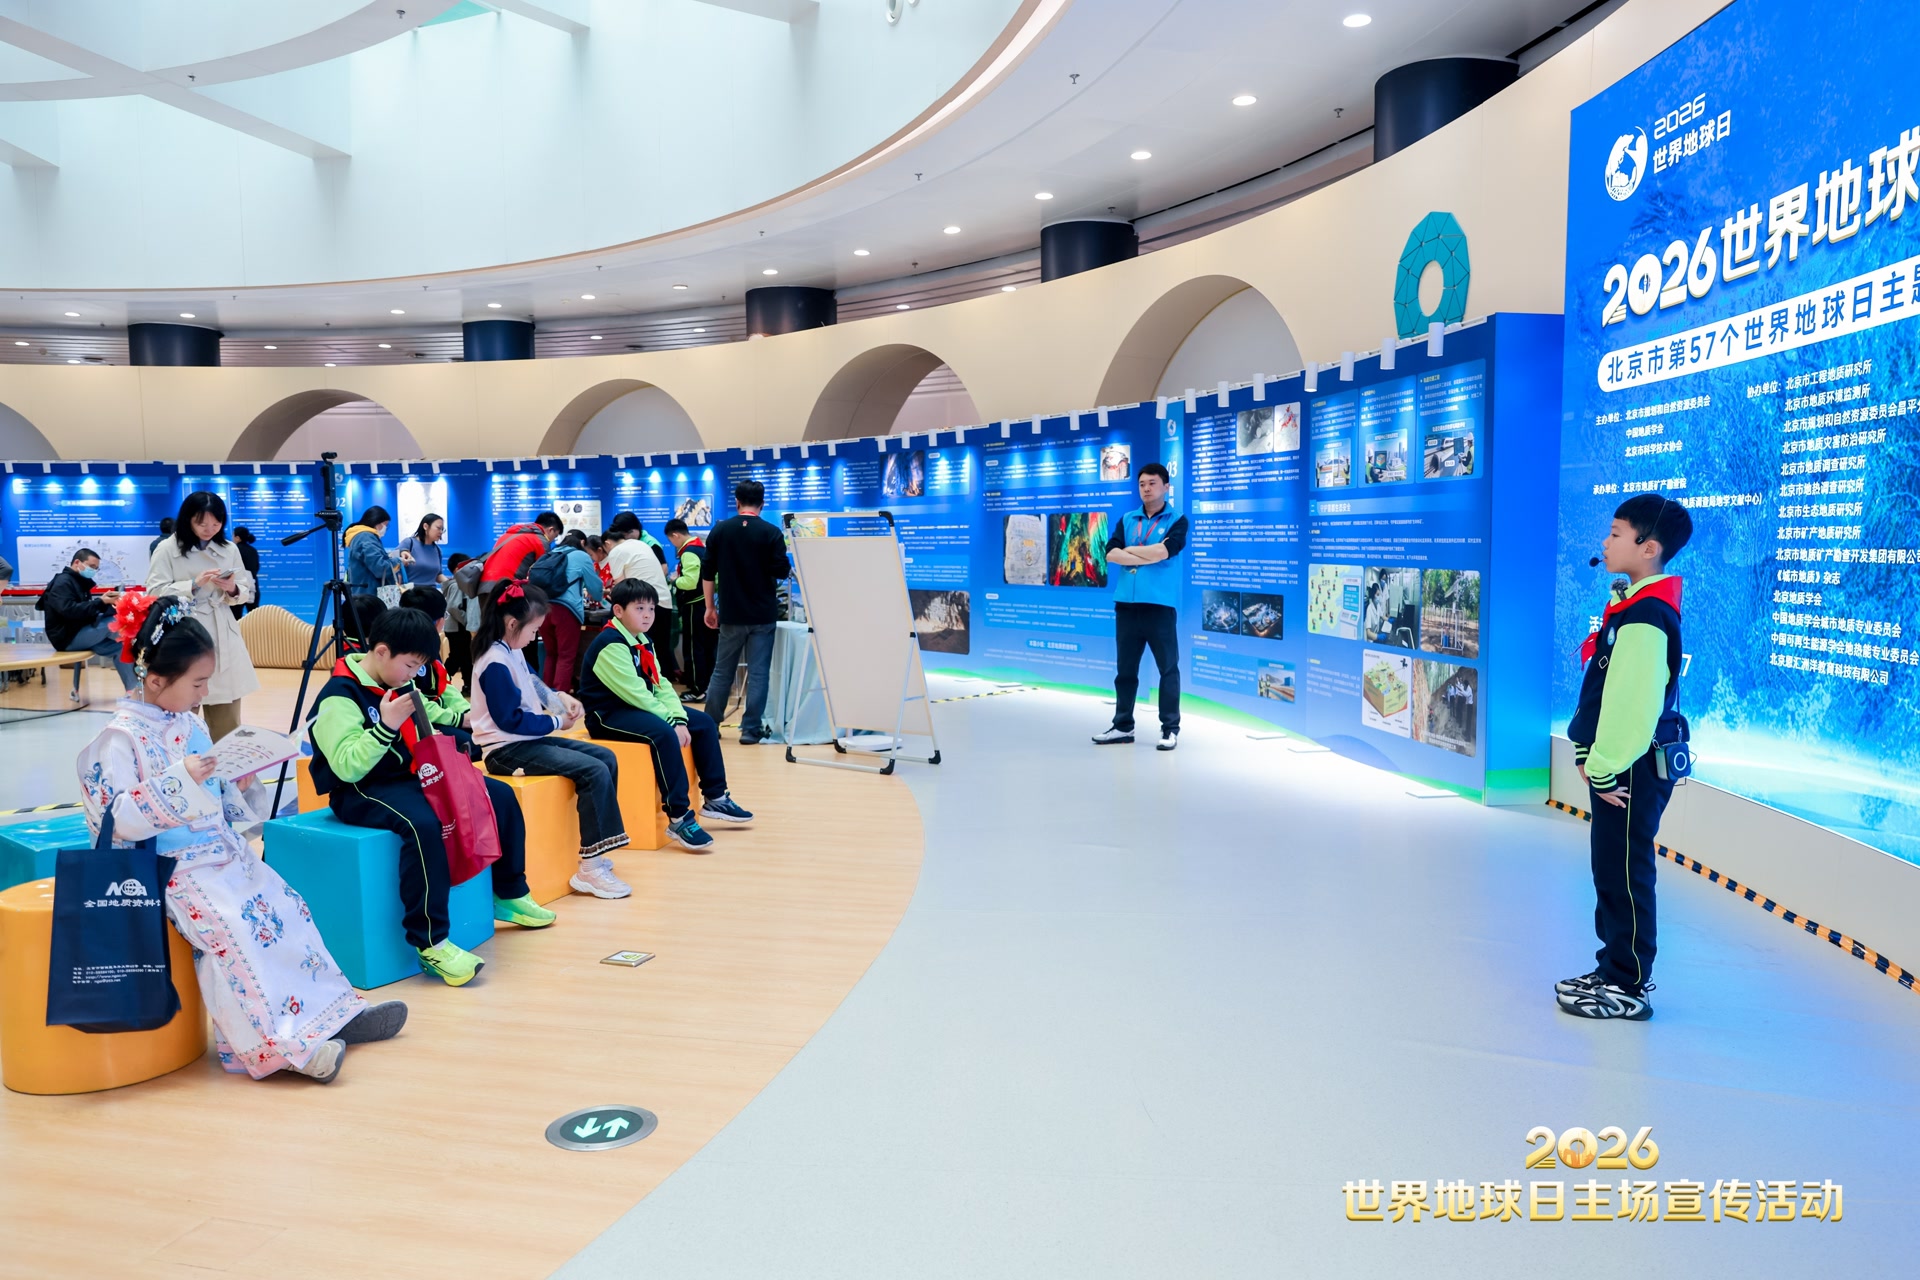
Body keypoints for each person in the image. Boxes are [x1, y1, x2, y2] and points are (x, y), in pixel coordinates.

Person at [78, 594, 406, 1084]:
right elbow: (114, 819)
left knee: (286, 907)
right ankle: (280, 1047)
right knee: (233, 929)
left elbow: (213, 794)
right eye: (197, 683)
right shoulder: (117, 739)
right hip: (167, 870)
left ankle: (332, 1013)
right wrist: (181, 781)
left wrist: (237, 780)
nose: (204, 693)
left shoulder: (189, 723)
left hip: (221, 854)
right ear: (155, 680)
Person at [309, 606, 556, 987]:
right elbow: (347, 767)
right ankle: (431, 942)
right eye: (410, 665)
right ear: (381, 652)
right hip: (361, 790)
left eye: (420, 667)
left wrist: (460, 726)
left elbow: (430, 716)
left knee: (499, 795)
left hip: (407, 776)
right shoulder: (339, 695)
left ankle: (508, 892)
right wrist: (386, 726)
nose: (414, 675)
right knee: (423, 825)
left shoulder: (398, 682)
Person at [1558, 494, 1693, 1023]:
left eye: (1615, 534)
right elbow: (1603, 690)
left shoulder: (1647, 616)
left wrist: (1603, 764)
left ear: (1648, 547)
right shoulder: (1631, 606)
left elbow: (1633, 708)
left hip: (1628, 769)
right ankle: (1613, 967)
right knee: (1611, 868)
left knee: (1626, 871)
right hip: (1617, 766)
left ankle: (1628, 984)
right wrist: (1588, 748)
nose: (1605, 542)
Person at [469, 583, 634, 898]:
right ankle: (591, 868)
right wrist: (557, 722)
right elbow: (509, 720)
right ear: (512, 623)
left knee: (606, 758)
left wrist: (560, 700)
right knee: (594, 770)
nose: (535, 637)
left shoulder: (511, 649)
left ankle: (595, 852)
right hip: (505, 751)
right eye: (534, 630)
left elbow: (533, 683)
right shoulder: (494, 660)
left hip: (525, 743)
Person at [583, 578, 753, 853]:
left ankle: (716, 797)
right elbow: (637, 693)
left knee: (704, 723)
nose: (647, 615)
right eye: (639, 608)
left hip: (637, 707)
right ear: (618, 611)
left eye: (651, 608)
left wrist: (679, 717)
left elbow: (660, 684)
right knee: (663, 733)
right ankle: (679, 816)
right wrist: (671, 722)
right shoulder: (610, 644)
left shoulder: (642, 640)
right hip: (608, 714)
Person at [147, 491, 257, 743]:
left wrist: (231, 588)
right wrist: (193, 585)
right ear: (188, 520)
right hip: (183, 632)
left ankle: (226, 767)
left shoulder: (229, 548)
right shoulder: (167, 549)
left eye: (216, 524)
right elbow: (154, 592)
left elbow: (244, 590)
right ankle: (183, 765)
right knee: (181, 718)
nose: (209, 529)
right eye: (202, 523)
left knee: (227, 718)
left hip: (222, 630)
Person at [1092, 463, 1189, 752]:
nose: (1146, 488)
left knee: (1168, 669)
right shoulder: (1127, 519)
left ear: (1166, 486)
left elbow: (1165, 551)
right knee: (1125, 671)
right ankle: (1123, 726)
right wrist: (1146, 555)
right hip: (1126, 605)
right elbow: (1111, 554)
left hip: (1159, 606)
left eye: (1152, 483)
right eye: (1142, 484)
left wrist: (1130, 552)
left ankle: (1170, 729)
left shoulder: (1177, 520)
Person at [701, 481, 791, 744]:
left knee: (722, 671)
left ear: (737, 502)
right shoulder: (771, 533)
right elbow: (782, 570)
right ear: (762, 504)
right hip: (763, 615)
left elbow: (708, 572)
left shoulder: (720, 530)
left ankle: (710, 725)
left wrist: (710, 607)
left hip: (731, 614)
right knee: (759, 673)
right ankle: (751, 730)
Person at [37, 548, 136, 698]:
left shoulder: (77, 581)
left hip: (78, 631)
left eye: (96, 568)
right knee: (115, 622)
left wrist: (103, 603)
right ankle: (140, 646)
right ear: (77, 562)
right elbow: (69, 610)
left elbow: (84, 610)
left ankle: (132, 692)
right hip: (67, 637)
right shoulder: (62, 582)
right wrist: (100, 602)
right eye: (91, 566)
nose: (93, 571)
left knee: (121, 649)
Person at [398, 585, 477, 758]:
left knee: (483, 735)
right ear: (440, 621)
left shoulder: (430, 646)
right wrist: (458, 719)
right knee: (472, 746)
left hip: (437, 715)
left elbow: (446, 688)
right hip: (415, 721)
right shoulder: (401, 651)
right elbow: (413, 702)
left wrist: (468, 713)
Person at [531, 530, 604, 693]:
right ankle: (561, 698)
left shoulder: (549, 554)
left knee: (551, 654)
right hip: (566, 610)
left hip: (542, 608)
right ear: (582, 543)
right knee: (566, 656)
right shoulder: (581, 556)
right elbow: (596, 588)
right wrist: (599, 595)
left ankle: (546, 696)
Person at [606, 513, 677, 680]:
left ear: (607, 543)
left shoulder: (616, 552)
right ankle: (663, 689)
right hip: (663, 602)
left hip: (644, 604)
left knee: (643, 650)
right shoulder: (643, 544)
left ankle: (645, 687)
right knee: (660, 650)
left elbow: (621, 588)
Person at [666, 518, 714, 693]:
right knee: (705, 646)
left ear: (675, 535)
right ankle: (705, 684)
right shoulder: (701, 547)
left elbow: (690, 582)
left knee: (693, 648)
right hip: (704, 602)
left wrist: (674, 580)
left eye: (670, 540)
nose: (672, 544)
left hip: (694, 605)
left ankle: (696, 688)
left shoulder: (689, 552)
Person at [479, 512, 563, 612]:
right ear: (550, 530)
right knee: (513, 621)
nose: (552, 541)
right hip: (506, 590)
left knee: (489, 621)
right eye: (555, 536)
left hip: (483, 588)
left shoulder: (507, 535)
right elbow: (542, 575)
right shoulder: (540, 541)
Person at [342, 506, 409, 596]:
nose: (385, 528)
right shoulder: (366, 538)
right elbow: (380, 568)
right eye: (385, 524)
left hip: (363, 594)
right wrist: (399, 561)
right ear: (376, 521)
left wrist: (397, 555)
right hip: (370, 596)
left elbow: (374, 559)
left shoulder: (361, 536)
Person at [443, 553, 480, 695]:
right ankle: (441, 679)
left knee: (465, 657)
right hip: (457, 628)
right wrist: (467, 621)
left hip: (459, 627)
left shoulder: (459, 584)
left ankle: (468, 685)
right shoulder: (456, 585)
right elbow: (454, 607)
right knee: (457, 657)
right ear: (458, 569)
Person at [398, 514, 449, 587]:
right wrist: (403, 553)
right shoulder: (409, 543)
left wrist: (451, 583)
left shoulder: (437, 550)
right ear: (425, 526)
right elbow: (393, 560)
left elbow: (438, 575)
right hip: (410, 592)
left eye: (442, 529)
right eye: (438, 528)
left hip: (431, 592)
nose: (441, 532)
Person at [230, 526, 260, 619]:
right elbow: (256, 567)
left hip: (238, 586)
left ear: (237, 537)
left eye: (233, 535)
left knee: (235, 617)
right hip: (253, 586)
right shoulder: (253, 550)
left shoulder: (234, 550)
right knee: (255, 617)